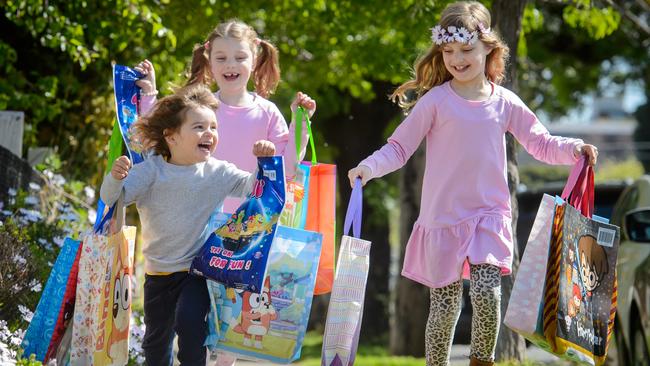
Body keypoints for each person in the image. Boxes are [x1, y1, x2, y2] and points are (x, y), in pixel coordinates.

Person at [347, 2, 598, 365]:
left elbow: (541, 142)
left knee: (487, 293)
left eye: (466, 50)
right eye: (448, 51)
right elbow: (399, 148)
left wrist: (575, 148)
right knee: (445, 305)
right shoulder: (435, 101)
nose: (457, 59)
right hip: (444, 218)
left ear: (489, 49)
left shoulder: (505, 102)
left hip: (489, 215)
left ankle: (483, 361)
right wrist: (367, 168)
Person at [100, 85, 276, 366]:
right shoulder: (150, 172)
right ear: (171, 136)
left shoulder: (217, 171)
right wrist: (115, 177)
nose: (210, 133)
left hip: (198, 270)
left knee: (191, 324)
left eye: (213, 127)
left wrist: (265, 161)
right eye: (199, 127)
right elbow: (112, 198)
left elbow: (254, 187)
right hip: (158, 275)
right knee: (156, 346)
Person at [135, 19, 316, 213]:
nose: (231, 65)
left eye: (240, 58)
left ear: (254, 60)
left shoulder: (268, 113)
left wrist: (300, 124)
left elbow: (287, 171)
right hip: (199, 225)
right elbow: (158, 141)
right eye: (221, 58)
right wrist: (148, 94)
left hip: (252, 227)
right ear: (210, 61)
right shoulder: (197, 108)